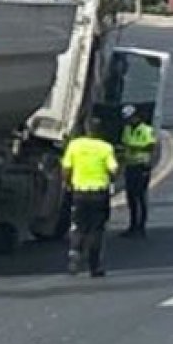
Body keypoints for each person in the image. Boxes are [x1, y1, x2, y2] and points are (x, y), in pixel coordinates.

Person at [61, 117, 118, 278]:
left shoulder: (75, 145)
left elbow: (66, 167)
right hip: (99, 193)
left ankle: (74, 253)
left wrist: (67, 184)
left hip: (79, 193)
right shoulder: (106, 148)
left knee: (78, 225)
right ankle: (94, 265)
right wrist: (110, 180)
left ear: (86, 129)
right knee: (96, 229)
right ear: (100, 131)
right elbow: (113, 169)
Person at [119, 104, 156, 239]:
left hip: (142, 166)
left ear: (135, 116)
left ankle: (141, 227)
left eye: (129, 118)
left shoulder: (146, 129)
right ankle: (132, 225)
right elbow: (124, 143)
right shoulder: (127, 129)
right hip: (130, 166)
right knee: (131, 197)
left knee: (140, 196)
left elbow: (150, 145)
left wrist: (135, 147)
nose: (128, 121)